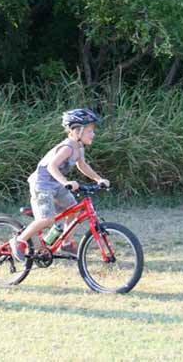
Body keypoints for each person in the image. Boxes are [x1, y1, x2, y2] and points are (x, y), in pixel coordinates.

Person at [9, 108, 110, 261]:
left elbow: (82, 166)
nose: (93, 134)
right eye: (89, 131)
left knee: (73, 210)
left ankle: (65, 243)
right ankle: (19, 241)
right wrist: (66, 182)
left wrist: (98, 179)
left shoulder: (79, 147)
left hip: (56, 184)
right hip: (42, 184)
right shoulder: (68, 147)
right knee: (46, 219)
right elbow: (52, 167)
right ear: (77, 131)